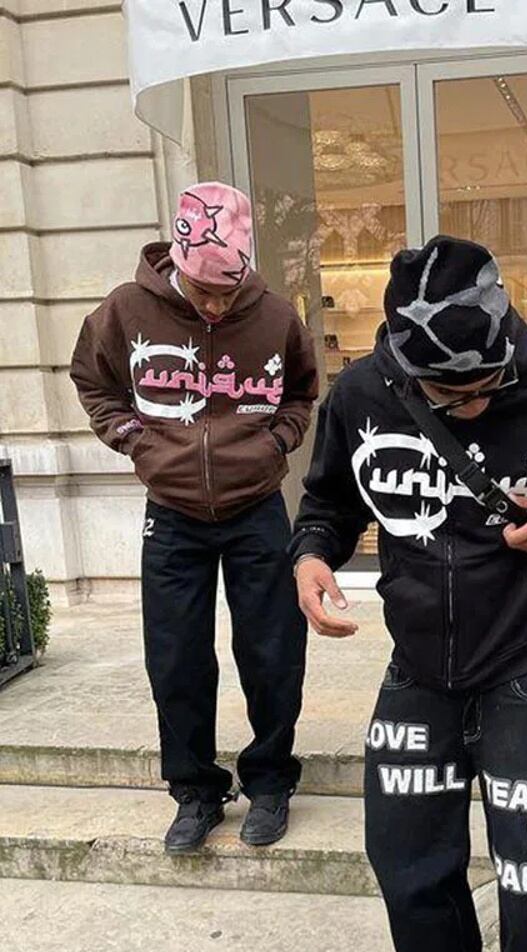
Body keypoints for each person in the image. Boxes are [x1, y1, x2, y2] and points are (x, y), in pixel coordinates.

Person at [291, 235, 527, 952]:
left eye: (487, 383)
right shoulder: (360, 395)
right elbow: (327, 501)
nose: (475, 404)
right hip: (418, 670)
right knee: (405, 867)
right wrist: (311, 555)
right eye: (450, 395)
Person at [70, 182, 318, 852]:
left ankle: (271, 781)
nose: (215, 305)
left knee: (272, 650)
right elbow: (92, 380)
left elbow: (302, 391)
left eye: (226, 292)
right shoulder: (125, 310)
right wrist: (135, 440)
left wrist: (277, 441)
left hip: (256, 503)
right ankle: (196, 792)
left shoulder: (275, 316)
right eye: (204, 291)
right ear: (179, 262)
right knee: (175, 657)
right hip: (172, 509)